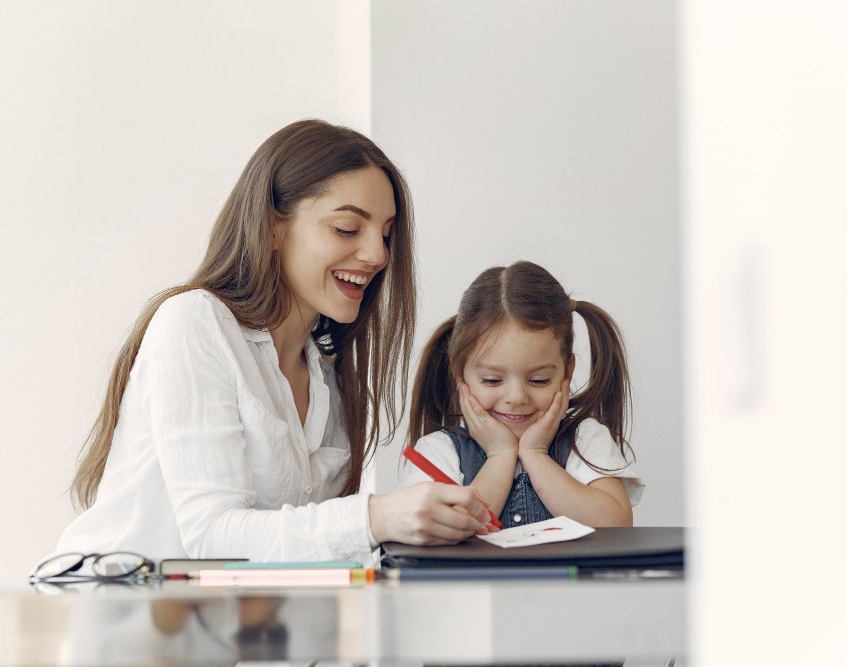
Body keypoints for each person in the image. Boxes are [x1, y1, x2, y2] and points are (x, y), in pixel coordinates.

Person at [51, 119, 497, 567]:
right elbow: (211, 534)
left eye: (385, 234)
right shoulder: (196, 323)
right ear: (271, 228)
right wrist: (376, 517)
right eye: (347, 228)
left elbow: (297, 547)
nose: (378, 255)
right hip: (117, 615)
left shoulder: (327, 376)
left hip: (221, 625)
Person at [400, 261, 644, 528]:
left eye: (539, 380)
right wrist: (500, 455)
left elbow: (616, 525)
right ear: (460, 374)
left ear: (567, 372)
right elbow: (443, 530)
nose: (516, 397)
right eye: (492, 380)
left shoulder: (584, 439)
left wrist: (536, 454)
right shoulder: (438, 451)